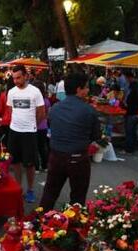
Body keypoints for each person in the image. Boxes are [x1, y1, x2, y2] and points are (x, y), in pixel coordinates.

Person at [40, 73, 100, 211]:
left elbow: (52, 126)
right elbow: (95, 135)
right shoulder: (89, 110)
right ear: (79, 89)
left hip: (56, 156)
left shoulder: (54, 108)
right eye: (86, 88)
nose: (88, 90)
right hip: (78, 158)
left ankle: (39, 223)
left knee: (49, 194)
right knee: (78, 198)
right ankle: (75, 228)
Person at [7, 65, 45, 203]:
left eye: (18, 77)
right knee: (15, 162)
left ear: (25, 76)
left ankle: (30, 190)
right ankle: (18, 188)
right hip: (14, 131)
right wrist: (17, 123)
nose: (16, 81)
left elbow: (41, 113)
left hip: (29, 132)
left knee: (29, 164)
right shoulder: (11, 92)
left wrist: (31, 124)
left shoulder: (35, 92)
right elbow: (11, 111)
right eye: (14, 78)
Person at [32, 80, 51, 172]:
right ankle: (45, 166)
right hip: (44, 126)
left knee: (34, 147)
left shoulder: (33, 101)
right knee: (43, 147)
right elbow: (48, 113)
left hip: (34, 126)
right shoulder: (46, 100)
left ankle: (36, 167)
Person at [123, 81, 138, 154]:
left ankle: (128, 149)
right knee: (134, 132)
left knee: (129, 133)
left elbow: (128, 105)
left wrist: (124, 106)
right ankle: (133, 148)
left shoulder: (131, 94)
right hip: (137, 115)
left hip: (130, 115)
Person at [0, 77, 15, 146]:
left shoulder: (3, 95)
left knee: (6, 142)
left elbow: (0, 109)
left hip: (5, 121)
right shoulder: (18, 95)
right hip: (15, 122)